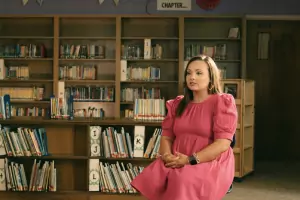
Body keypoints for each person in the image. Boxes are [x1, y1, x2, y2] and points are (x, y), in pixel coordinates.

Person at [130, 55, 238, 200]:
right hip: (178, 157)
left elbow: (223, 144)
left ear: (211, 77)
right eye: (189, 73)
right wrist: (167, 155)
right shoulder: (178, 104)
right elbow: (167, 136)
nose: (192, 77)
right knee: (152, 177)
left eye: (199, 73)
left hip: (209, 161)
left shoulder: (222, 102)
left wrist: (189, 160)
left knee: (182, 180)